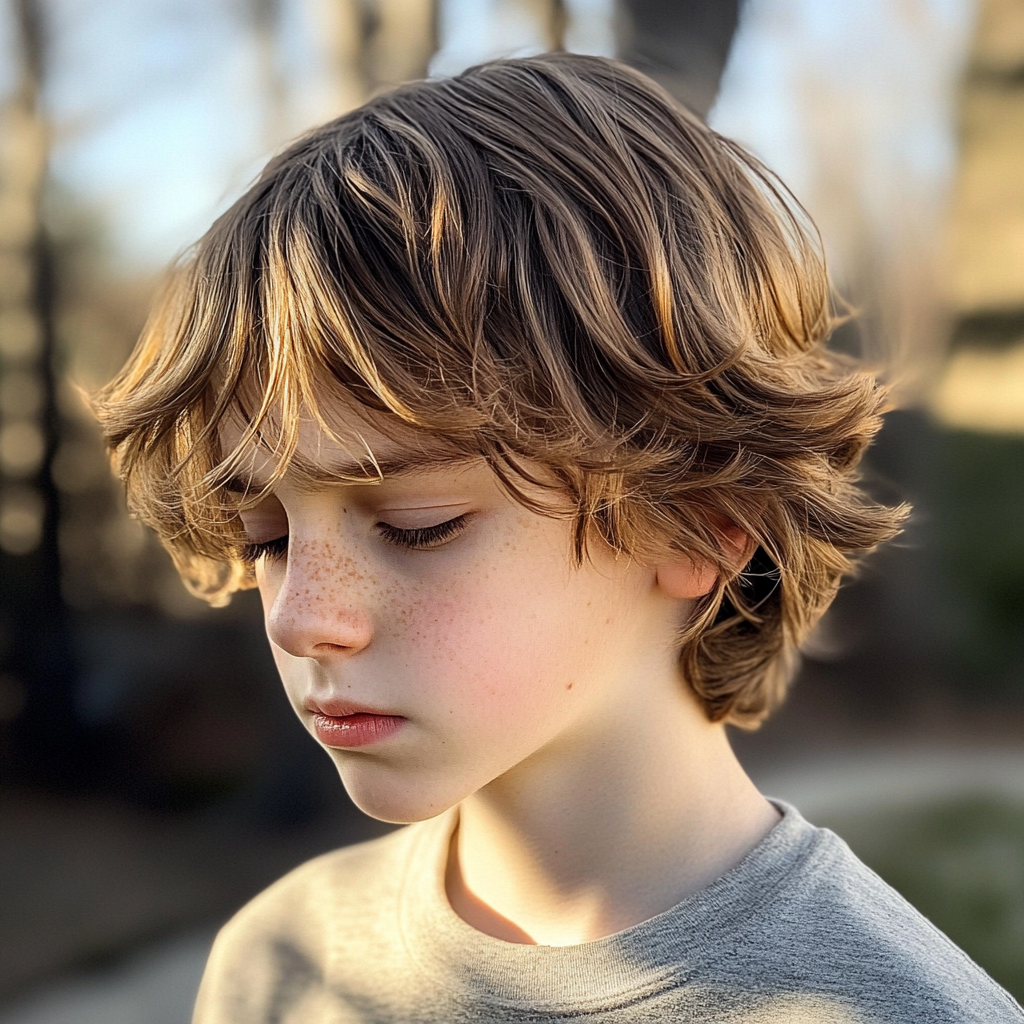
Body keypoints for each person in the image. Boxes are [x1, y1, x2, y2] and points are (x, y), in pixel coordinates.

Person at [93, 53, 1022, 1024]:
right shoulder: (276, 968)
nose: (300, 617)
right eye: (267, 535)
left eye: (418, 526)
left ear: (703, 518)